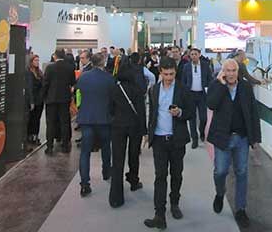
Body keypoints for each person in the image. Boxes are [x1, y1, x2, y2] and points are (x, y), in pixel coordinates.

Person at [207, 59, 261, 228]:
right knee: (220, 171)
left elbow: (253, 111)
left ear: (238, 72)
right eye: (228, 71)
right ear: (223, 71)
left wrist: (255, 138)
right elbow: (211, 104)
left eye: (233, 70)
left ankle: (241, 209)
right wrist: (221, 86)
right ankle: (220, 193)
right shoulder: (216, 85)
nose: (230, 74)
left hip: (241, 137)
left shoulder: (245, 87)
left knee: (242, 172)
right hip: (223, 137)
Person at [144, 57, 194, 230]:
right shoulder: (154, 89)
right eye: (166, 74)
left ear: (175, 72)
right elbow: (153, 112)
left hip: (177, 139)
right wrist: (148, 132)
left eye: (171, 74)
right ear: (160, 73)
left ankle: (174, 203)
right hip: (159, 139)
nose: (169, 77)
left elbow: (191, 112)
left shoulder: (183, 89)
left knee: (176, 174)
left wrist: (180, 113)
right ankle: (159, 214)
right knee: (160, 176)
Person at [75, 52, 115, 197]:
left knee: (85, 152)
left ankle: (84, 184)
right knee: (106, 147)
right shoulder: (109, 78)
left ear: (91, 62)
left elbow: (78, 93)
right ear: (103, 62)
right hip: (104, 118)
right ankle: (106, 171)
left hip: (86, 118)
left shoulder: (83, 77)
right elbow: (113, 99)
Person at [109, 63, 147, 207]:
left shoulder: (114, 89)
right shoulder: (137, 89)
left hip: (118, 126)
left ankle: (116, 197)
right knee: (133, 155)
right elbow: (142, 112)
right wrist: (144, 131)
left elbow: (110, 109)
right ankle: (133, 180)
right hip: (134, 126)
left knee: (117, 160)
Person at [42, 48, 77, 154]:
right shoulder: (69, 67)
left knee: (51, 123)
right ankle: (65, 146)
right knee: (65, 122)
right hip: (64, 99)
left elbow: (45, 83)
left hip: (51, 99)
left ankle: (49, 147)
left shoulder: (50, 67)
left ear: (55, 56)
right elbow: (72, 82)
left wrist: (43, 96)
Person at [181, 47, 213, 148]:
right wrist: (185, 92)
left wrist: (208, 89)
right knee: (192, 118)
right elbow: (183, 80)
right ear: (189, 56)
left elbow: (210, 79)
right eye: (192, 54)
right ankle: (194, 139)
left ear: (199, 55)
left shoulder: (205, 65)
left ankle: (202, 131)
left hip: (202, 95)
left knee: (203, 117)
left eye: (195, 54)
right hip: (190, 95)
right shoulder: (186, 67)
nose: (194, 56)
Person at [25, 54, 44, 145]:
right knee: (32, 119)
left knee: (37, 119)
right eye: (35, 60)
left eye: (38, 60)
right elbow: (29, 88)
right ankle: (30, 136)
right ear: (31, 61)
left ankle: (35, 136)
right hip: (33, 99)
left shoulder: (39, 72)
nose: (37, 62)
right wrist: (31, 101)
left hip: (40, 99)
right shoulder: (29, 73)